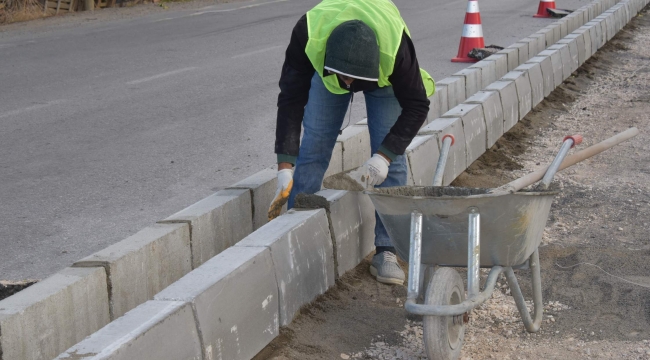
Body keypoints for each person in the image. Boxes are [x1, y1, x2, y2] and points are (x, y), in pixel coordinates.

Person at [268, 0, 434, 285]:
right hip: (326, 68)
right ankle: (294, 237)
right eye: (343, 76)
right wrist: (285, 166)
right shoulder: (309, 35)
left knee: (391, 164)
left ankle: (387, 250)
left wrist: (383, 156)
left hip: (382, 77)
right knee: (314, 146)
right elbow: (291, 98)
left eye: (353, 79)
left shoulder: (394, 51)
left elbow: (417, 105)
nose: (347, 84)